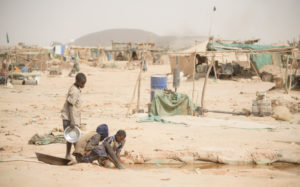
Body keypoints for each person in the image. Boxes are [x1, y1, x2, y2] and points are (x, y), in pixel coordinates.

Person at [61, 72, 87, 160]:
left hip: (72, 118)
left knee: (70, 138)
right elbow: (70, 105)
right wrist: (72, 120)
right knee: (75, 138)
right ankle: (78, 157)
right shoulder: (74, 91)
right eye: (82, 83)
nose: (83, 85)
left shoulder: (76, 88)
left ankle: (68, 155)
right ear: (77, 81)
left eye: (84, 83)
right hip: (69, 118)